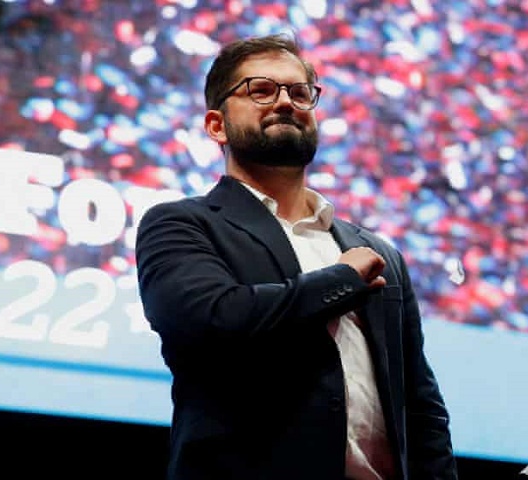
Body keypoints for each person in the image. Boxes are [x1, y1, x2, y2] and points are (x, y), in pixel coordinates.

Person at [135, 33, 458, 480]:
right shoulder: (181, 224)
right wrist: (342, 281)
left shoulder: (379, 253)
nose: (285, 102)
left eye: (299, 92)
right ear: (216, 125)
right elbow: (214, 319)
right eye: (261, 90)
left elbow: (420, 408)